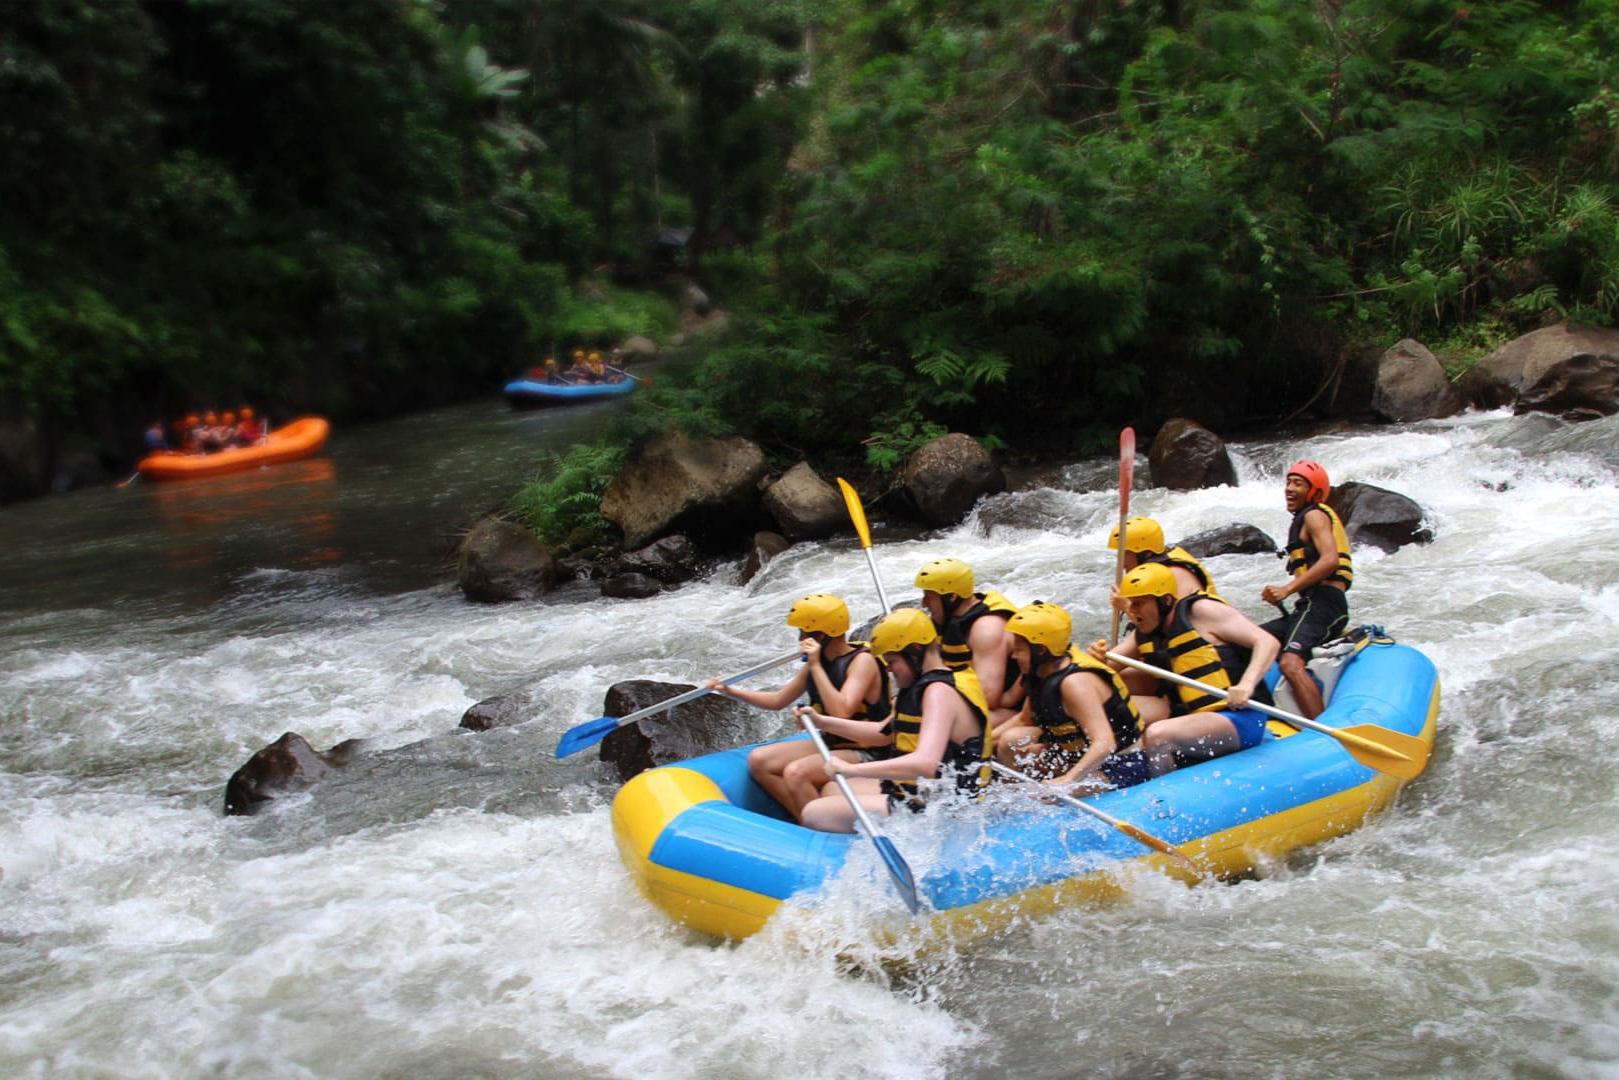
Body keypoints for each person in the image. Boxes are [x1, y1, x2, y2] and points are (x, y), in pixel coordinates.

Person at [800, 608, 993, 833]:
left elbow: (925, 764)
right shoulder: (920, 686)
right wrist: (821, 721)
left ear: (915, 650)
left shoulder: (939, 692)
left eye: (892, 660)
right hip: (921, 792)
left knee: (813, 813)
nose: (888, 668)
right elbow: (882, 733)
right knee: (831, 789)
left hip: (945, 807)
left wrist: (851, 769)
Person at [708, 594, 890, 820]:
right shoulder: (819, 661)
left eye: (804, 632)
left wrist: (815, 665)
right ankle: (805, 820)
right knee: (760, 761)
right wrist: (731, 691)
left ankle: (822, 825)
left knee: (796, 772)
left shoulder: (862, 661)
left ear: (822, 635)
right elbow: (778, 700)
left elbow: (841, 711)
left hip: (870, 750)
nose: (800, 638)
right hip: (834, 743)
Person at [1091, 563, 1280, 777]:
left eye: (1139, 603)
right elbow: (1105, 669)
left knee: (1157, 735)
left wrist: (1246, 684)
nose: (1131, 611)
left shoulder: (1201, 611)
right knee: (1112, 710)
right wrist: (1097, 657)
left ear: (1165, 601)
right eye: (1130, 604)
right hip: (1190, 718)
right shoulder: (1145, 633)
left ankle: (1165, 791)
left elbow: (1267, 642)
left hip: (1239, 718)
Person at [996, 602, 1148, 792]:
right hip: (1072, 753)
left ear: (1040, 650)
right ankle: (1011, 790)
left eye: (1019, 649)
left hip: (1120, 765)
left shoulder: (1075, 684)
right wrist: (981, 745)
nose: (1014, 656)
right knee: (1009, 742)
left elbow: (1105, 743)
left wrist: (1068, 780)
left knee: (1043, 796)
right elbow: (1023, 719)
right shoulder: (1042, 673)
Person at [1259, 460, 1353, 719]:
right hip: (1309, 605)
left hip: (1325, 603)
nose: (1289, 488)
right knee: (1255, 640)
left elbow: (1330, 560)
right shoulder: (1303, 518)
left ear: (1315, 492)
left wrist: (1286, 589)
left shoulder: (1314, 515)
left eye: (1298, 484)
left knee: (1290, 663)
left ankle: (1323, 731)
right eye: (1288, 482)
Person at [913, 558, 1024, 734]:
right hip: (978, 704)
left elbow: (988, 698)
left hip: (1011, 712)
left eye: (929, 597)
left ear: (952, 597)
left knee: (937, 726)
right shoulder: (949, 619)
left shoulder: (986, 628)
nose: (924, 604)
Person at [1107, 516, 1223, 602]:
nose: (1121, 562)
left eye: (1125, 553)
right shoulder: (1154, 574)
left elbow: (1179, 623)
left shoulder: (1174, 574)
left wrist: (1127, 606)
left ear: (1145, 553)